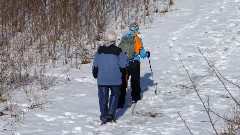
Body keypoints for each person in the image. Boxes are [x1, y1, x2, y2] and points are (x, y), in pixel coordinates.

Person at [92, 31, 128, 124]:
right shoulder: (118, 51)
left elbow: (95, 64)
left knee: (103, 97)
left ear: (106, 39)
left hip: (102, 78)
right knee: (115, 95)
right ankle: (111, 114)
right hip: (115, 78)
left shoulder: (100, 50)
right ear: (115, 40)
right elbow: (123, 65)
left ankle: (104, 115)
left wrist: (95, 73)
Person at [117, 22, 150, 108]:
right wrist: (147, 54)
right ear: (137, 29)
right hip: (134, 63)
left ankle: (120, 101)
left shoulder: (123, 38)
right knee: (135, 80)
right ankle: (136, 97)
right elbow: (142, 54)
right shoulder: (137, 39)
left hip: (124, 63)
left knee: (123, 82)